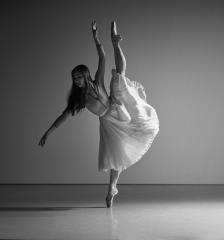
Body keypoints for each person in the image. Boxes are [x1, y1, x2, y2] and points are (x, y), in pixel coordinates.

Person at [38, 21, 159, 208]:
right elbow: (64, 116)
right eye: (74, 79)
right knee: (116, 157)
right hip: (108, 124)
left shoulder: (97, 82)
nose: (76, 81)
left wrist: (95, 38)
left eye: (79, 77)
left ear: (86, 76)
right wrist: (48, 131)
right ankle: (112, 189)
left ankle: (116, 43)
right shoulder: (80, 99)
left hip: (117, 107)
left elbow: (102, 57)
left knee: (119, 77)